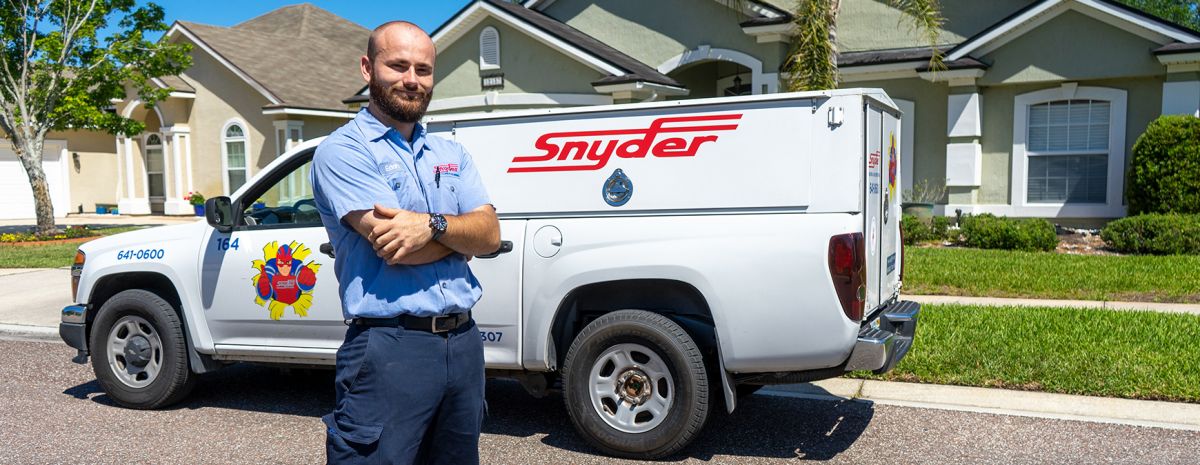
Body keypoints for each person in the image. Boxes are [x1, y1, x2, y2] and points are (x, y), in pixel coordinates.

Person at [310, 20, 501, 465]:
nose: (412, 80)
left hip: (464, 344)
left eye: (423, 69)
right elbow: (396, 246)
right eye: (397, 66)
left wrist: (432, 225)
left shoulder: (451, 153)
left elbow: (491, 235)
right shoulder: (343, 151)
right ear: (367, 68)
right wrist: (461, 236)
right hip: (388, 348)